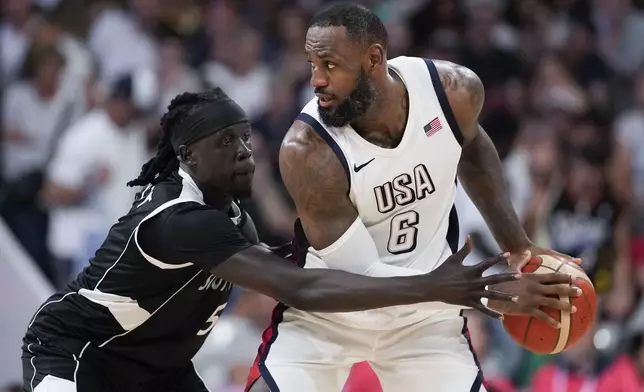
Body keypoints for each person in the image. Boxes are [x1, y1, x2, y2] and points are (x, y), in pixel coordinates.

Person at [22, 88, 520, 392]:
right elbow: (301, 289)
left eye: (245, 138)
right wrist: (432, 285)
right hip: (79, 352)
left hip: (159, 369)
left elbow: (297, 268)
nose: (245, 152)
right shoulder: (183, 220)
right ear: (188, 156)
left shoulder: (232, 214)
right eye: (227, 143)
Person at [246, 4, 581, 392]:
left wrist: (518, 248)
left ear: (373, 58)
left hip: (426, 323)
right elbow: (362, 279)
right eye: (311, 64)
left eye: (330, 64)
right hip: (332, 315)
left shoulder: (452, 91)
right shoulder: (308, 150)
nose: (316, 80)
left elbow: (470, 147)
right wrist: (490, 293)